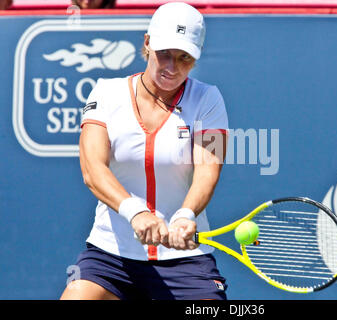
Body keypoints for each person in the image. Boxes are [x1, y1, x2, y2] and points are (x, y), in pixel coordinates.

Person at [60, 2, 229, 300]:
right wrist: (135, 212)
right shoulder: (106, 92)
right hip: (111, 256)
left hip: (186, 259)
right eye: (165, 53)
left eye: (184, 58)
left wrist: (185, 215)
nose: (172, 67)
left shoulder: (208, 99)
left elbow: (208, 169)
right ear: (148, 43)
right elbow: (92, 169)